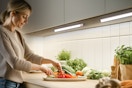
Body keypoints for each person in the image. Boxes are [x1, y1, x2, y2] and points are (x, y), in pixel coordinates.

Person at [0, 0, 62, 88]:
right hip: (6, 83)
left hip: (17, 83)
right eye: (24, 16)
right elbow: (15, 62)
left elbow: (30, 55)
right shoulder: (1, 32)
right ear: (13, 13)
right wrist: (40, 67)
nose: (26, 21)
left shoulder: (18, 34)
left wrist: (51, 61)